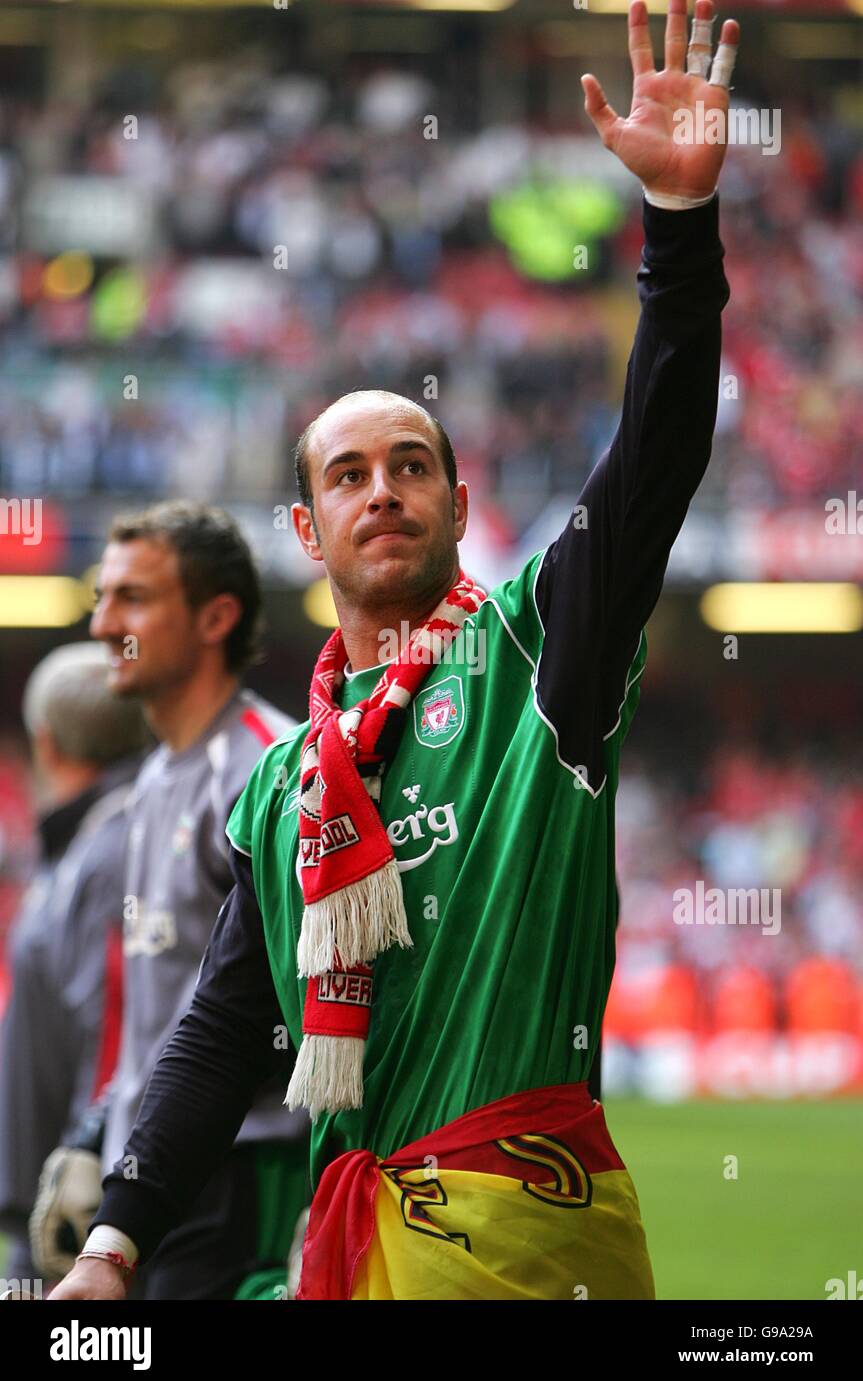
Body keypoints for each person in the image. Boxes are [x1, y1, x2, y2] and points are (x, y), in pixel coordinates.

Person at [50, 0, 739, 1301]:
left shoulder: (543, 652)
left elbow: (653, 460)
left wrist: (678, 235)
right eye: (350, 473)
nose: (383, 489)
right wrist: (112, 1241)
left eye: (411, 465)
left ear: (459, 509)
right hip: (351, 1240)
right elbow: (217, 1031)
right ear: (307, 528)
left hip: (527, 1240)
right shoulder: (279, 784)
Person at [36, 501, 309, 1300]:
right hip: (147, 1181)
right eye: (101, 598)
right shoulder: (153, 778)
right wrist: (99, 1132)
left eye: (133, 599)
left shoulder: (269, 768)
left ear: (216, 616)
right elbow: (156, 1007)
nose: (101, 626)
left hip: (243, 1181)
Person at [0, 643, 146, 1283]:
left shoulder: (114, 849)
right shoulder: (84, 841)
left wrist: (83, 1191)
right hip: (60, 1193)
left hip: (77, 1206)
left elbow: (113, 1038)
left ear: (46, 742)